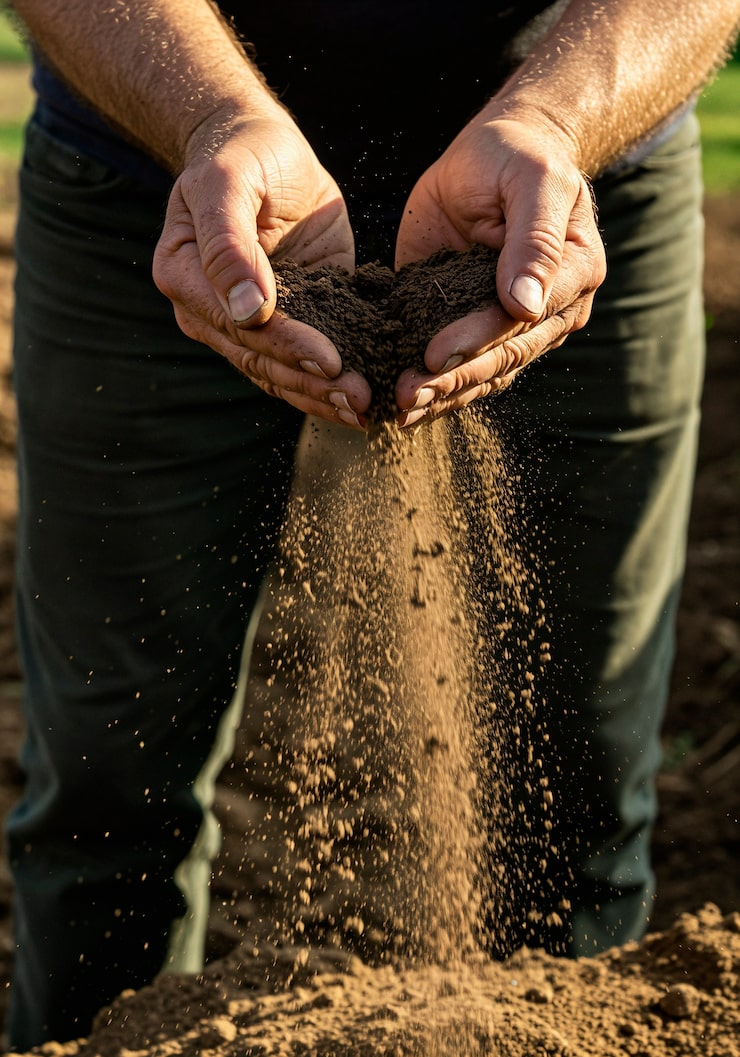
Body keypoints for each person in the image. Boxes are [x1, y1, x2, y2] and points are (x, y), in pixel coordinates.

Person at [4, 0, 739, 1047]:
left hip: (569, 179)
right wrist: (210, 116)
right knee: (109, 796)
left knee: (573, 792)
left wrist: (555, 119)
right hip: (155, 167)